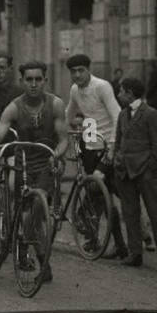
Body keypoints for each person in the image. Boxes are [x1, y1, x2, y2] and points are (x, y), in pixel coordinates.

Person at [0, 61, 69, 282]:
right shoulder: (14, 107)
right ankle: (39, 260)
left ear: (45, 81)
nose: (33, 84)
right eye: (29, 80)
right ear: (22, 81)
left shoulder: (56, 104)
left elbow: (63, 141)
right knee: (21, 207)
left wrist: (56, 155)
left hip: (47, 164)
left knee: (37, 210)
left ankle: (25, 241)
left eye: (38, 79)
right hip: (23, 163)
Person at [65, 53, 129, 260]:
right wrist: (63, 126)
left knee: (103, 193)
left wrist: (112, 148)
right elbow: (69, 113)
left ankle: (135, 239)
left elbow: (117, 115)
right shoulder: (75, 90)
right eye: (73, 72)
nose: (77, 75)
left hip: (109, 147)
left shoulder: (102, 86)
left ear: (88, 69)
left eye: (81, 70)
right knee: (99, 197)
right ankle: (105, 243)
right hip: (90, 147)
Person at [112, 77, 157, 267]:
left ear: (130, 93)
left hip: (144, 171)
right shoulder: (122, 115)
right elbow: (119, 140)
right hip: (125, 171)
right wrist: (117, 159)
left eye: (121, 91)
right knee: (130, 212)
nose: (118, 95)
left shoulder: (151, 114)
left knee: (154, 211)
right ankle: (135, 253)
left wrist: (151, 168)